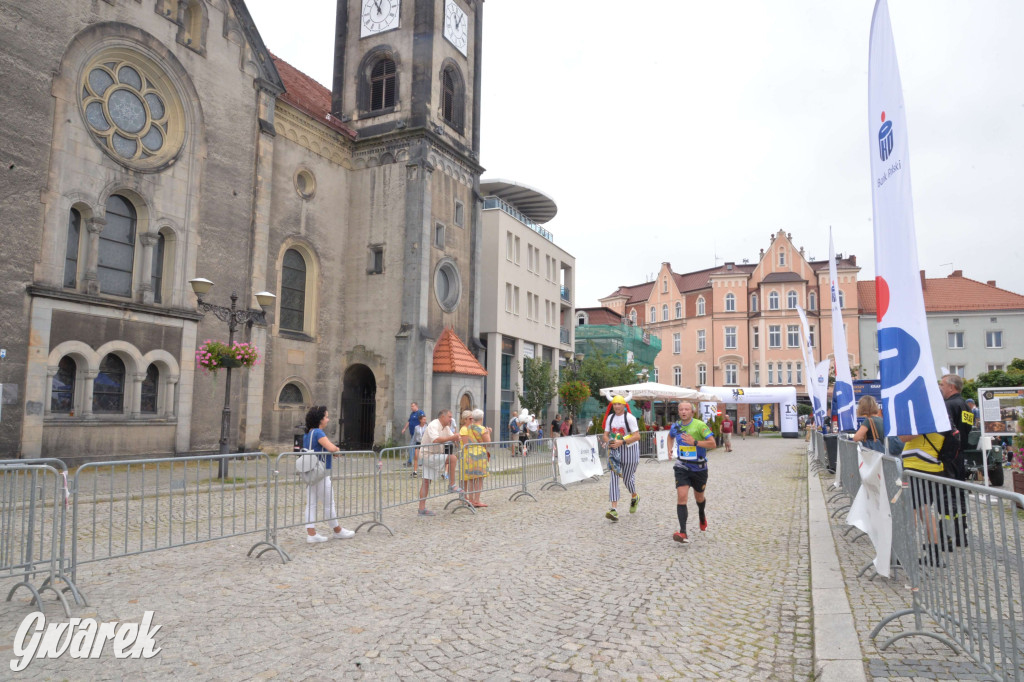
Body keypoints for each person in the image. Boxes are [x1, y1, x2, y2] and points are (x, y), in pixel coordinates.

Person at [301, 406, 355, 542]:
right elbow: (331, 448)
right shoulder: (319, 432)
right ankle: (337, 530)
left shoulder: (307, 434)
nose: (328, 419)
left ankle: (311, 533)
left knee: (311, 503)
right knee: (328, 503)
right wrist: (336, 449)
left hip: (310, 472)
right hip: (321, 473)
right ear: (320, 420)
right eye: (326, 417)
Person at [668, 401, 717, 544]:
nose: (683, 411)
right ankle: (683, 532)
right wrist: (670, 448)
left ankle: (702, 515)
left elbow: (713, 444)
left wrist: (694, 442)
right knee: (682, 496)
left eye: (686, 409)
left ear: (692, 412)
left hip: (699, 468)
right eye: (681, 409)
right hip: (682, 467)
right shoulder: (675, 426)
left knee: (699, 497)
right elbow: (670, 436)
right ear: (678, 412)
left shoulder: (700, 425)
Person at [417, 409, 463, 516]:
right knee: (452, 458)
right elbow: (436, 440)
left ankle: (421, 509)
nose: (451, 419)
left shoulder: (446, 427)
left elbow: (453, 438)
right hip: (427, 455)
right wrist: (453, 437)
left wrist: (459, 437)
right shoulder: (434, 425)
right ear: (443, 417)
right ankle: (451, 485)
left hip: (432, 455)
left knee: (426, 482)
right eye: (449, 417)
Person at [602, 395, 641, 522]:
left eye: (619, 404)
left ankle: (634, 496)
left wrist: (622, 442)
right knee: (613, 477)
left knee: (627, 479)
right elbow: (605, 435)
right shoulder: (610, 418)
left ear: (624, 405)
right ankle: (614, 509)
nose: (617, 406)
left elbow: (637, 436)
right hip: (615, 451)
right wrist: (611, 442)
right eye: (615, 404)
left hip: (630, 449)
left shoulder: (629, 418)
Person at [460, 409, 491, 507]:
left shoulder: (468, 428)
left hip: (470, 454)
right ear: (482, 418)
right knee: (479, 478)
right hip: (479, 455)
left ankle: (471, 499)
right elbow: (488, 442)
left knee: (471, 479)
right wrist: (489, 432)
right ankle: (477, 500)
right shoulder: (482, 429)